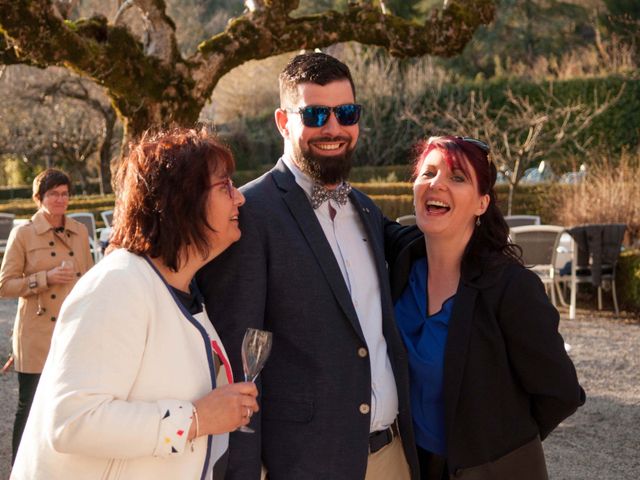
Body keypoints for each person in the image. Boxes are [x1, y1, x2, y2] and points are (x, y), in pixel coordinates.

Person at [197, 52, 419, 480]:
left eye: (346, 113)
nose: (334, 128)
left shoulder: (366, 211)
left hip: (392, 456)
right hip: (304, 465)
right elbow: (237, 364)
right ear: (283, 121)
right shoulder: (248, 214)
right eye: (316, 114)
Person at [10, 128, 259, 479]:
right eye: (224, 187)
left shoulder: (183, 293)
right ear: (182, 200)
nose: (240, 199)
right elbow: (72, 421)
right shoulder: (118, 284)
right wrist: (197, 419)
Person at [389, 136, 586, 480]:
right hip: (412, 467)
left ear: (482, 203)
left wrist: (497, 444)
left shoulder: (511, 288)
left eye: (457, 177)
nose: (437, 184)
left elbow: (562, 393)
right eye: (428, 173)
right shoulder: (402, 263)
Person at [0, 168, 94, 464]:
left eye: (64, 193)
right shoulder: (23, 234)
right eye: (53, 194)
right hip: (36, 334)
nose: (60, 199)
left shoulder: (79, 232)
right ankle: (20, 468)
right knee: (29, 407)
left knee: (71, 403)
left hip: (72, 332)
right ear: (39, 198)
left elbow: (90, 281)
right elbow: (4, 285)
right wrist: (45, 278)